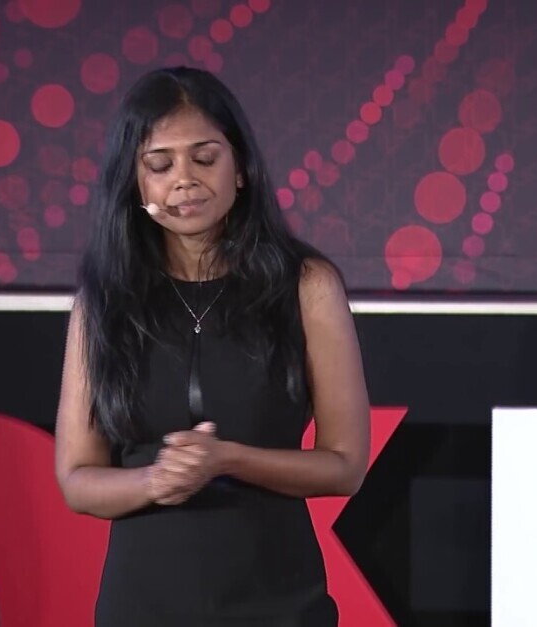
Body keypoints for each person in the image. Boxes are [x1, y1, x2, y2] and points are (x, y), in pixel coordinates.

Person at [53, 66, 371, 627]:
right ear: (134, 182)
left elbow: (344, 466)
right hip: (141, 608)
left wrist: (227, 460)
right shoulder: (105, 299)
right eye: (160, 165)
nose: (185, 180)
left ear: (240, 169)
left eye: (204, 158)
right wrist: (156, 481)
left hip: (278, 604)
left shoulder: (306, 285)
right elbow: (78, 478)